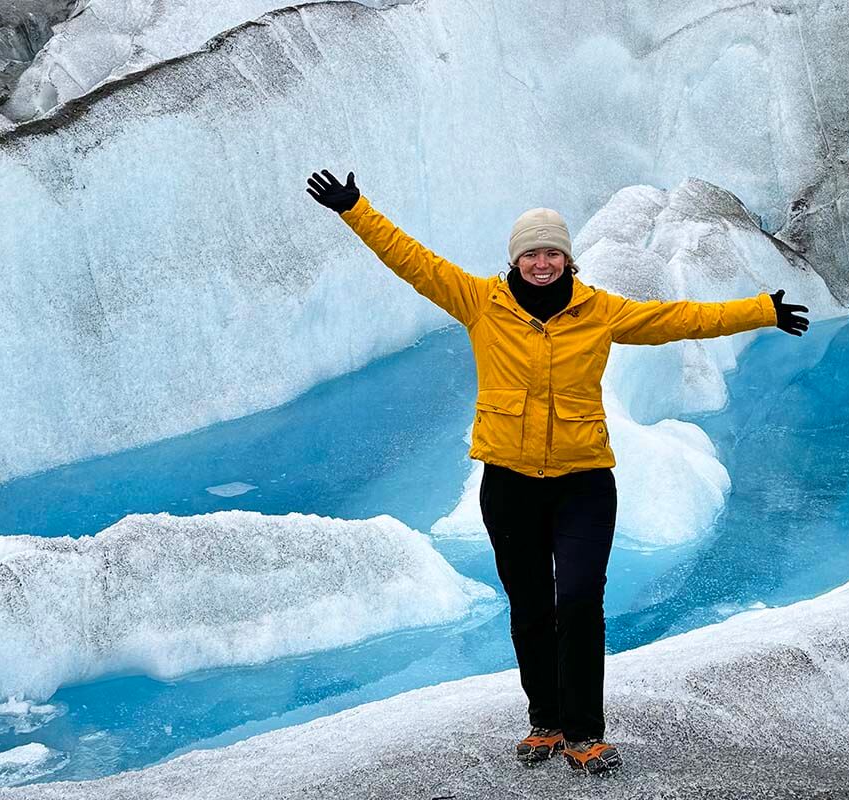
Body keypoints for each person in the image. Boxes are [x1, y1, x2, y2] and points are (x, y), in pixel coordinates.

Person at [306, 170, 809, 776]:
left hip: (583, 481)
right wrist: (355, 208)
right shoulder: (478, 303)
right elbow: (413, 261)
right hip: (509, 483)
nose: (541, 263)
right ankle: (544, 720)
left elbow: (676, 319)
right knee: (529, 606)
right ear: (515, 259)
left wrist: (760, 310)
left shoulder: (598, 311)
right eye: (531, 253)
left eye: (551, 252)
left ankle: (585, 732)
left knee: (577, 601)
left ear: (566, 259)